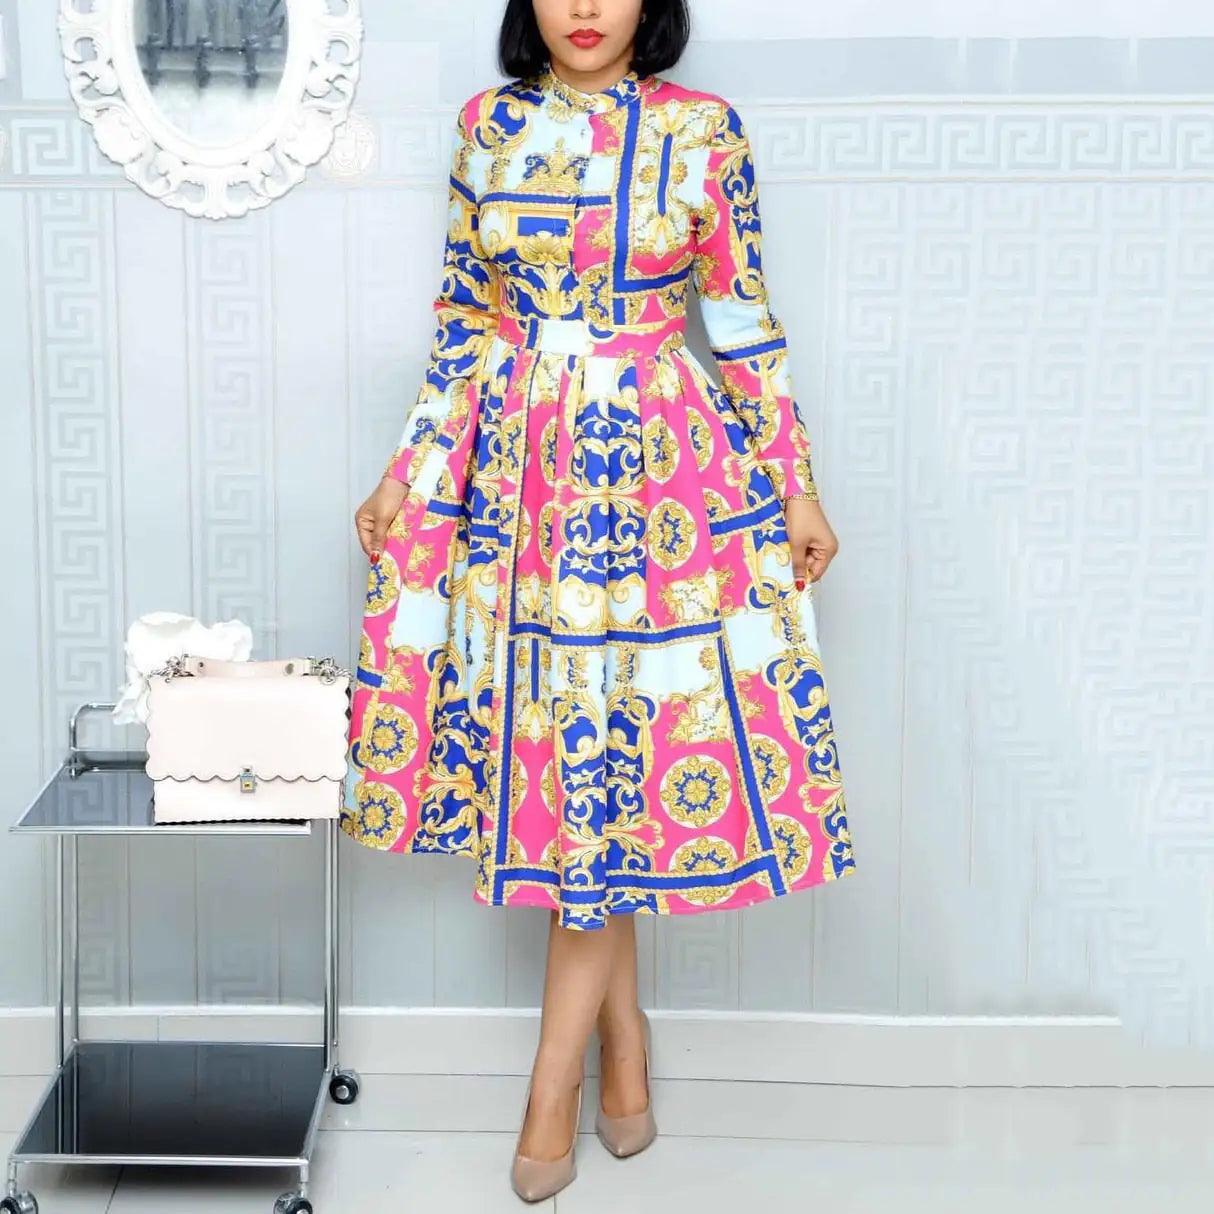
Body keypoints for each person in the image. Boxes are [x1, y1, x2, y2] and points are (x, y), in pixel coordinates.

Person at [347, 0, 857, 1201]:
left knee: (601, 770)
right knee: (571, 773)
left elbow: (741, 322)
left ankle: (549, 1088)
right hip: (515, 478)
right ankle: (621, 1046)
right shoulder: (485, 127)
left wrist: (795, 486)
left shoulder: (702, 130)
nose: (583, 7)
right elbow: (461, 321)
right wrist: (401, 471)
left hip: (656, 479)